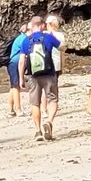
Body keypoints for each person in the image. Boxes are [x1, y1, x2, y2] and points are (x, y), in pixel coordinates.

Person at [20, 14, 65, 142]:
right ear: (42, 25)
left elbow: (22, 61)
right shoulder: (48, 37)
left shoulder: (26, 40)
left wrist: (21, 78)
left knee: (35, 103)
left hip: (33, 75)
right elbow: (62, 47)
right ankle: (49, 121)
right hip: (49, 73)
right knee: (52, 99)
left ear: (32, 26)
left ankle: (37, 131)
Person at [2, 25, 28, 117]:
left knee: (13, 87)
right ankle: (18, 109)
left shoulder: (21, 37)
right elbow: (25, 55)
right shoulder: (24, 39)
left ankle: (11, 110)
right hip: (15, 63)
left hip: (12, 63)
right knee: (16, 87)